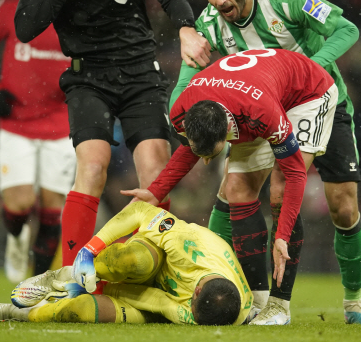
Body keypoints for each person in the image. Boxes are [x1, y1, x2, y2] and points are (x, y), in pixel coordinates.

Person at [171, 0, 361, 325]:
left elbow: (347, 29)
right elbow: (186, 85)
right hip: (257, 115)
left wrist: (303, 70)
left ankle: (354, 302)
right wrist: (181, 119)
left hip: (318, 104)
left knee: (344, 207)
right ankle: (230, 290)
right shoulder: (208, 25)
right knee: (234, 193)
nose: (219, 0)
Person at [14, 0, 206, 269]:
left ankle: (150, 271)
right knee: (93, 166)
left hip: (139, 74)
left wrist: (186, 27)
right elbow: (24, 26)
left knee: (155, 171)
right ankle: (72, 275)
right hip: (88, 78)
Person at [122, 48, 338, 325]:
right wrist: (155, 191)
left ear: (226, 133)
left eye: (210, 155)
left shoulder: (263, 114)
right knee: (236, 188)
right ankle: (258, 301)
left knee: (280, 188)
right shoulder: (182, 110)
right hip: (251, 96)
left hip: (307, 93)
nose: (204, 161)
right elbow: (190, 148)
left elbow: (296, 173)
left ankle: (279, 305)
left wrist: (282, 234)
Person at [0, 201, 252, 325]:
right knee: (130, 259)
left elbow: (161, 302)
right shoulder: (187, 246)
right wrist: (89, 252)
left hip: (157, 302)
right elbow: (139, 211)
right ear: (197, 292)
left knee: (79, 310)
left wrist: (97, 292)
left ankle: (6, 312)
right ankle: (60, 276)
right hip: (158, 260)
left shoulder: (222, 314)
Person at [0, 0, 77, 284]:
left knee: (52, 210)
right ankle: (16, 238)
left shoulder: (76, 12)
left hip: (61, 124)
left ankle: (37, 283)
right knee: (18, 206)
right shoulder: (9, 8)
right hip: (16, 123)